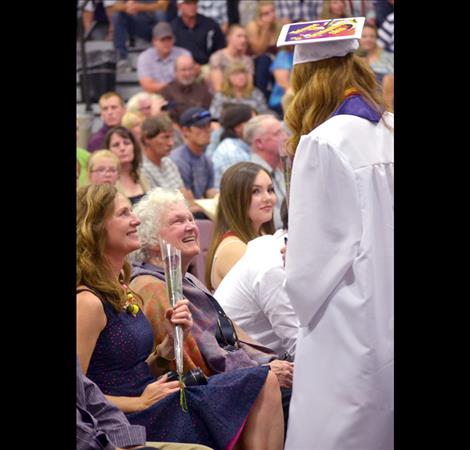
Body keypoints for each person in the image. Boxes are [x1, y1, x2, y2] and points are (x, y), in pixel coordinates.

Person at [77, 184, 284, 450]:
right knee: (260, 383)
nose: (136, 220)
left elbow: (137, 366)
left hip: (156, 396)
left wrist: (167, 346)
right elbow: (79, 395)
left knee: (263, 382)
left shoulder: (122, 288)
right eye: (124, 213)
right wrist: (138, 402)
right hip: (129, 416)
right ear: (95, 227)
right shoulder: (88, 302)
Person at [277, 17, 394, 450]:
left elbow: (312, 265)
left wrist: (295, 264)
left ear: (307, 78)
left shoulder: (325, 142)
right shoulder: (390, 130)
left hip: (347, 316)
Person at [129, 186, 293, 429]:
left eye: (190, 219)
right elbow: (191, 369)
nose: (191, 227)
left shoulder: (189, 280)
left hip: (238, 375)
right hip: (205, 397)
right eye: (178, 221)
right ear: (152, 240)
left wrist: (268, 364)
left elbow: (235, 338)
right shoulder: (152, 288)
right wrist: (261, 373)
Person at [213, 198, 299, 358]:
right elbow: (298, 346)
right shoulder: (274, 265)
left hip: (258, 362)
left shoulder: (272, 243)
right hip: (237, 367)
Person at [77, 357, 214, 450]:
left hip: (118, 423)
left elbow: (89, 393)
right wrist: (139, 402)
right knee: (213, 397)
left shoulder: (128, 312)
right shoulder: (90, 313)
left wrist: (130, 443)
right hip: (130, 415)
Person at [205, 161, 276, 292]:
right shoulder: (233, 249)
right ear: (235, 199)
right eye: (256, 191)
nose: (268, 198)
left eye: (270, 190)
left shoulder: (264, 236)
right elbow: (271, 294)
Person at [244, 114, 288, 230]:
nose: (285, 137)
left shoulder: (279, 171)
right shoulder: (249, 175)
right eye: (277, 133)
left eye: (283, 132)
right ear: (259, 143)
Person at [170, 107, 218, 204]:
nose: (208, 130)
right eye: (201, 127)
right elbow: (189, 204)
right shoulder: (179, 160)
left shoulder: (206, 159)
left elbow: (210, 191)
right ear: (185, 131)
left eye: (209, 126)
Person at [112, 0, 169, 72]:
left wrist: (139, 7)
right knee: (117, 15)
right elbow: (116, 6)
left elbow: (163, 6)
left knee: (160, 13)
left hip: (154, 26)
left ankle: (163, 55)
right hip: (137, 24)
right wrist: (126, 7)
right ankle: (122, 58)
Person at [137, 22, 192, 94]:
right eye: (162, 40)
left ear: (173, 39)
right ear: (154, 41)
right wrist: (170, 87)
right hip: (154, 94)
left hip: (181, 92)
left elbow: (188, 79)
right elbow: (147, 85)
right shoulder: (145, 57)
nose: (166, 43)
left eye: (169, 39)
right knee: (134, 103)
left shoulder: (184, 54)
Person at [211, 104, 255, 189]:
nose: (258, 125)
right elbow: (243, 189)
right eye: (253, 122)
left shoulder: (243, 146)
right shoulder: (232, 152)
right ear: (238, 127)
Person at [171, 0, 226, 67]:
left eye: (194, 3)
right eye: (188, 3)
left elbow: (220, 49)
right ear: (179, 6)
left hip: (206, 66)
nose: (192, 6)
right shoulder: (173, 27)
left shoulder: (210, 25)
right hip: (181, 67)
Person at [105, 126, 151, 204]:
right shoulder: (107, 181)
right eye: (116, 145)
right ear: (108, 151)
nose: (122, 148)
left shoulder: (141, 174)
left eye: (126, 143)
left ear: (134, 146)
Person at [160, 55, 213, 124]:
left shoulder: (203, 90)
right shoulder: (167, 92)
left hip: (201, 128)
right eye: (183, 70)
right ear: (175, 72)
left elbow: (208, 113)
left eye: (190, 69)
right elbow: (169, 119)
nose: (187, 73)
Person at [208, 24, 254, 93]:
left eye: (245, 37)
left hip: (244, 97)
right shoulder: (217, 57)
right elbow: (218, 88)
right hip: (224, 97)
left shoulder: (247, 60)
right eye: (239, 36)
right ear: (228, 38)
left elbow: (249, 86)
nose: (243, 40)